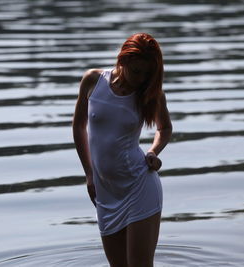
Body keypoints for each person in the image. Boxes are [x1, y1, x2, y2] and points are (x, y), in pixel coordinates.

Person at [72, 33, 172, 267]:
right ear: (122, 61)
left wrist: (153, 152)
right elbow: (79, 125)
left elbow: (165, 128)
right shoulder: (93, 81)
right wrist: (89, 174)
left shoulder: (149, 93)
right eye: (137, 71)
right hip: (106, 192)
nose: (141, 78)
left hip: (139, 187)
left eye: (147, 73)